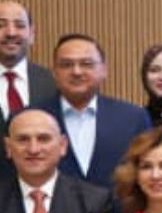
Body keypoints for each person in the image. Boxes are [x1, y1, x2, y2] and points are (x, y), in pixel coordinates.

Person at [39, 33, 151, 189]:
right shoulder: (30, 119)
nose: (76, 71)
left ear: (104, 70)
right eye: (66, 64)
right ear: (54, 72)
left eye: (86, 64)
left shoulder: (133, 118)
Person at [1, 0, 57, 126]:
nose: (11, 33)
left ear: (31, 34)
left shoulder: (53, 82)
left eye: (19, 26)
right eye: (1, 25)